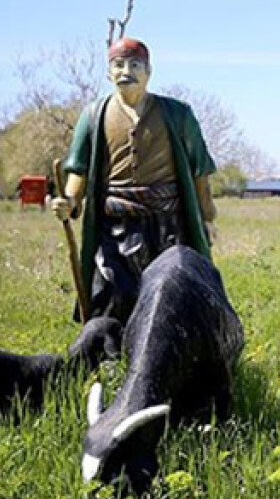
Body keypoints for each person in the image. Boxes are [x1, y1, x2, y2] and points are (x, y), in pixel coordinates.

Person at [52, 36, 217, 321]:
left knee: (172, 290)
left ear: (148, 71)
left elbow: (199, 171)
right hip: (115, 226)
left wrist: (207, 219)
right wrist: (69, 201)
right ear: (108, 72)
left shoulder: (178, 114)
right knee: (115, 292)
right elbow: (78, 170)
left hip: (168, 224)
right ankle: (109, 351)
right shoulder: (93, 116)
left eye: (135, 64)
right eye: (118, 65)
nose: (126, 71)